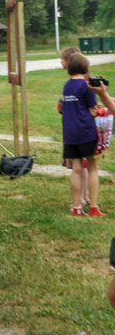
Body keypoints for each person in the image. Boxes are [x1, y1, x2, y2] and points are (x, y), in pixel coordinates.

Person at [61, 53, 102, 217]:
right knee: (92, 167)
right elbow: (93, 109)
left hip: (70, 133)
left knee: (76, 169)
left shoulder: (67, 85)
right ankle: (93, 207)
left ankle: (77, 207)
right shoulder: (86, 86)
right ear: (85, 68)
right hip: (85, 132)